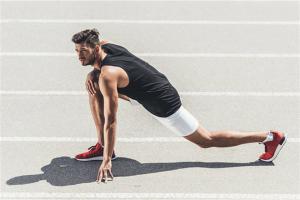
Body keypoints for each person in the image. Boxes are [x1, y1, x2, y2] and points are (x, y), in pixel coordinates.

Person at [71, 28, 287, 183]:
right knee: (93, 86)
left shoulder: (108, 75)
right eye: (77, 51)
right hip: (149, 86)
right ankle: (102, 145)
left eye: (83, 52)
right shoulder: (107, 47)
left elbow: (111, 120)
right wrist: (93, 71)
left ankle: (270, 137)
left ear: (96, 48)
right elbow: (103, 67)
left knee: (206, 140)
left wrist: (107, 161)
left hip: (163, 102)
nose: (79, 56)